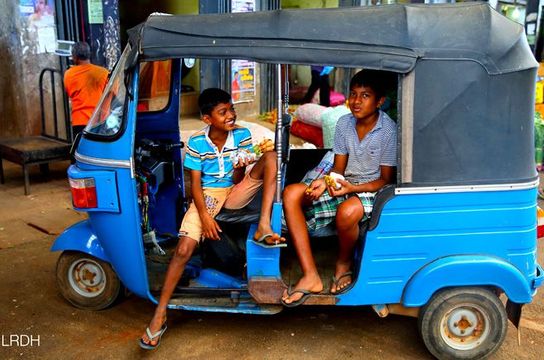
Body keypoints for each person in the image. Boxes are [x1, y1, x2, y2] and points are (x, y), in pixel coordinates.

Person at [140, 88, 286, 350]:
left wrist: (241, 167)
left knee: (272, 156)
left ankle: (263, 224)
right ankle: (160, 313)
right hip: (208, 195)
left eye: (231, 109)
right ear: (208, 118)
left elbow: (239, 180)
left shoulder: (242, 135)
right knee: (183, 250)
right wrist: (205, 218)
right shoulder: (196, 142)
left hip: (236, 190)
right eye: (223, 112)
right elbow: (194, 186)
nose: (231, 115)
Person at [281, 70, 397, 307]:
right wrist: (326, 181)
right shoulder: (344, 123)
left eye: (365, 96)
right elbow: (338, 167)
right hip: (346, 182)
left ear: (379, 101)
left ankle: (343, 262)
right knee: (291, 193)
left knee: (346, 212)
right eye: (353, 94)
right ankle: (310, 274)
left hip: (373, 189)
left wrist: (351, 189)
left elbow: (385, 180)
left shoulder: (389, 131)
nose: (356, 101)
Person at [63, 41, 109, 141]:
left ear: (75, 57)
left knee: (81, 151)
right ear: (89, 55)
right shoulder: (104, 73)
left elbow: (69, 92)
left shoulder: (69, 74)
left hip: (79, 122)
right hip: (100, 121)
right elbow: (112, 93)